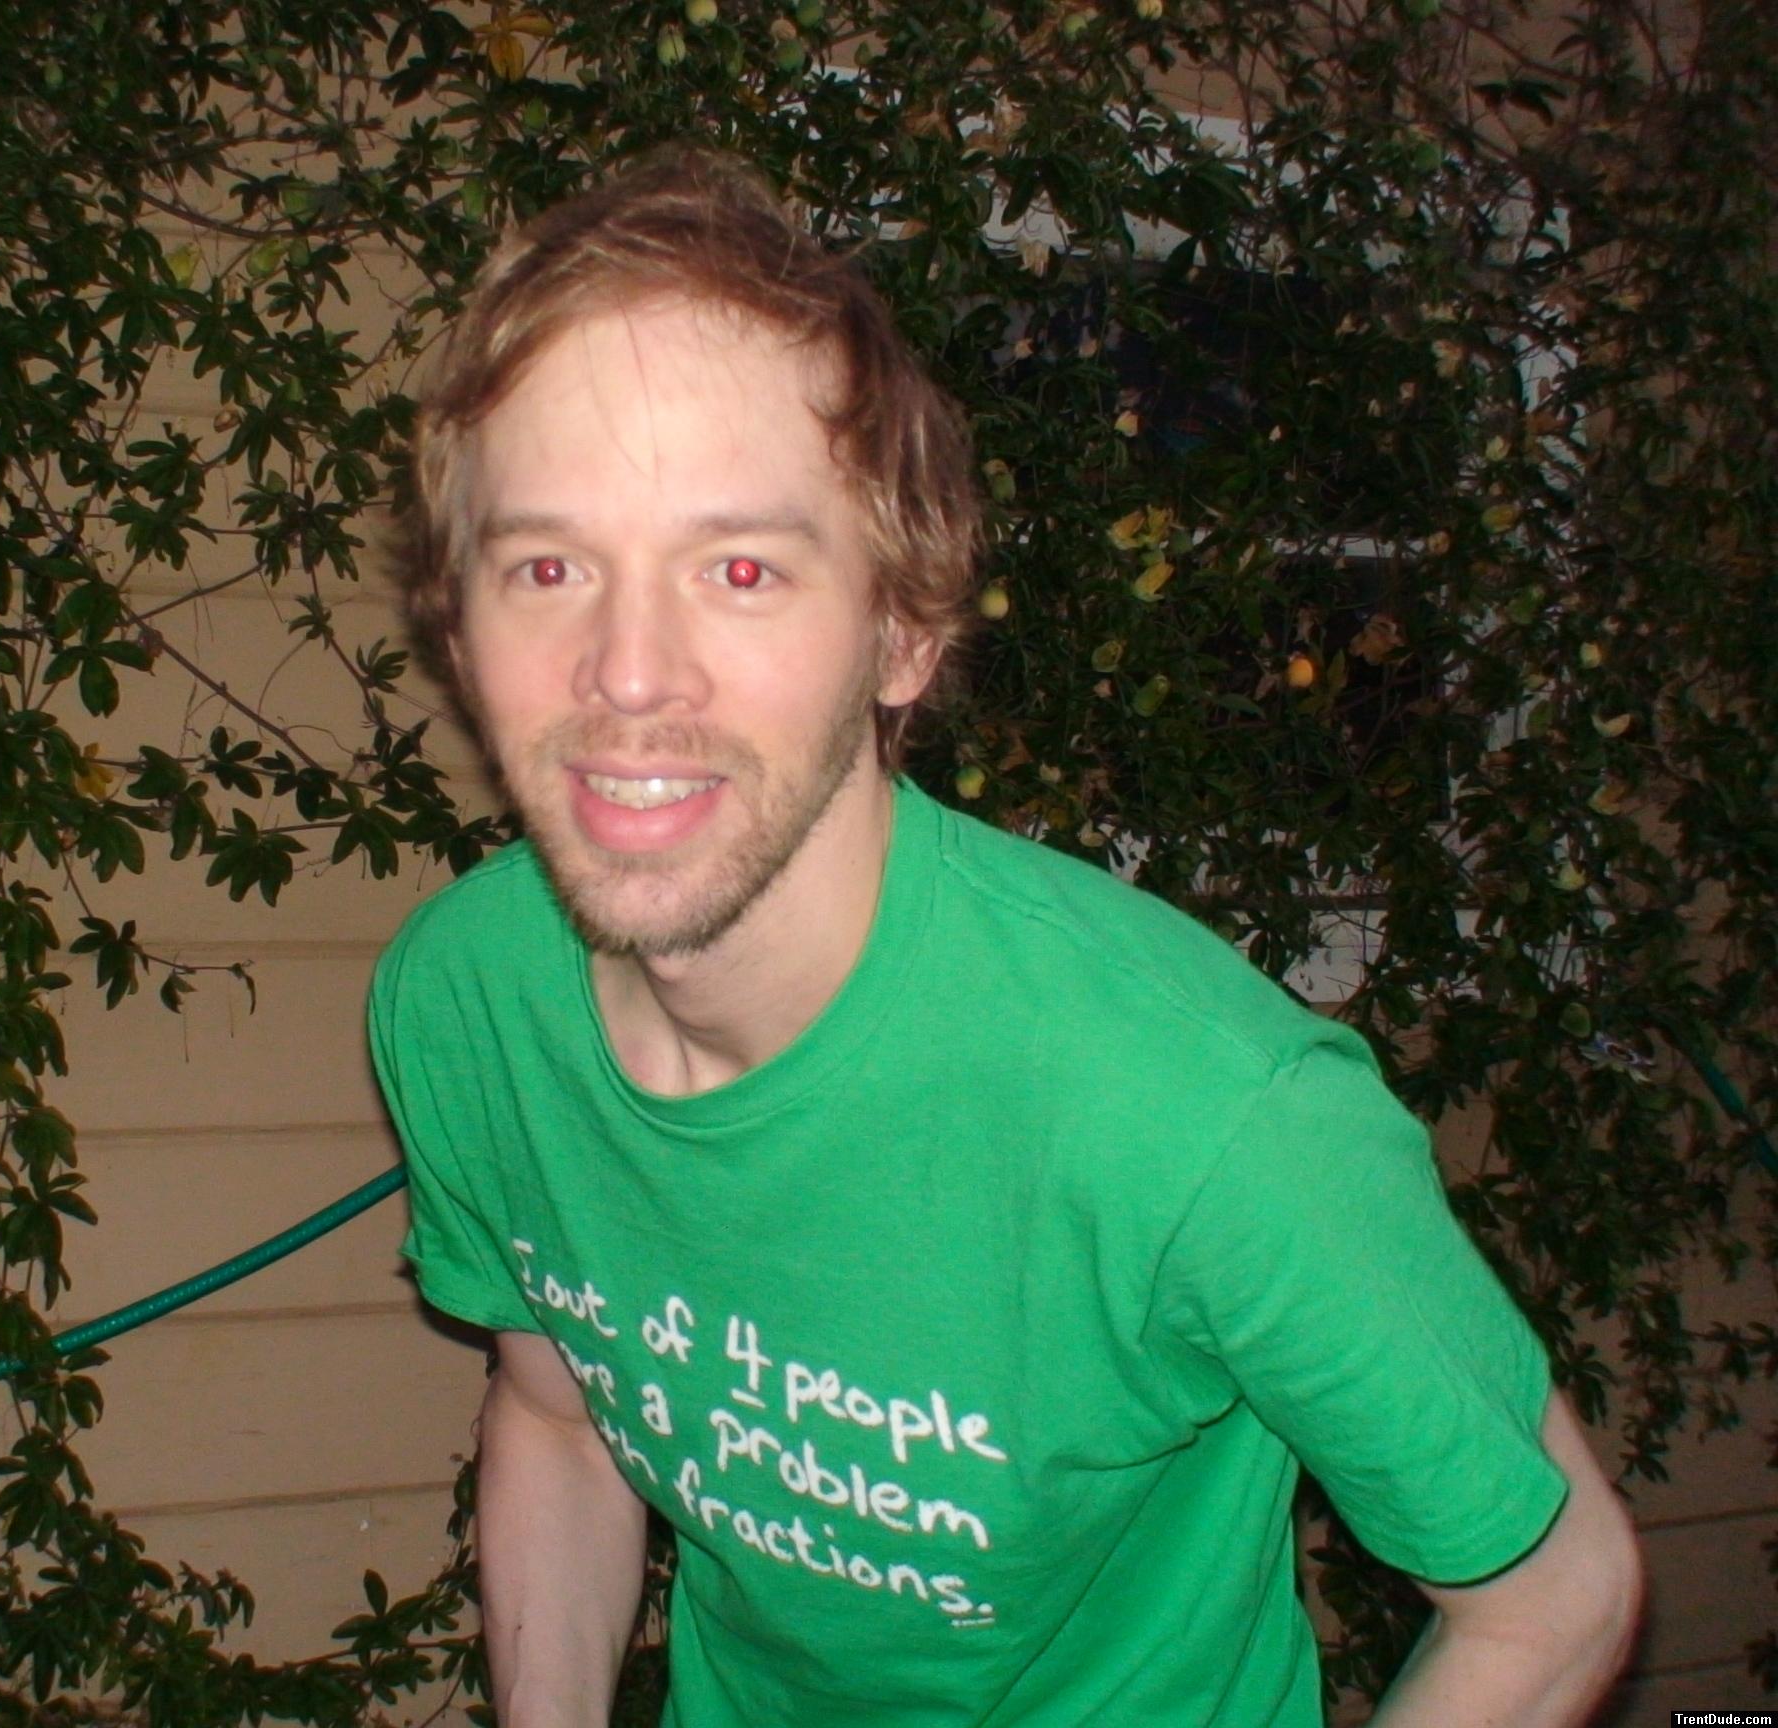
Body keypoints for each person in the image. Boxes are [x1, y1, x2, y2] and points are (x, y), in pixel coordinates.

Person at [368, 146, 1641, 1727]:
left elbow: (1560, 1596)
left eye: (742, 568)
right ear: (458, 623)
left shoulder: (1199, 1117)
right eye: (548, 566)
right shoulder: (471, 1004)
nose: (630, 671)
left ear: (902, 632)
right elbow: (558, 1418)